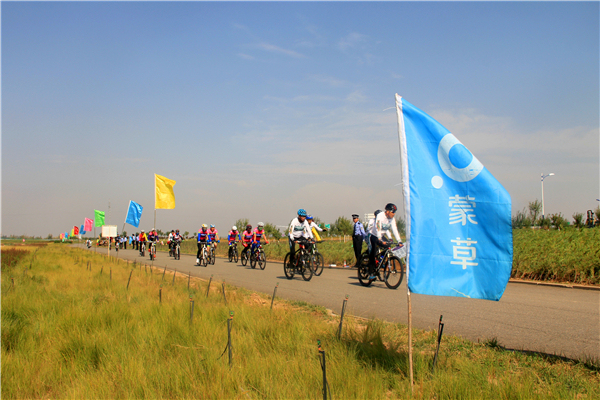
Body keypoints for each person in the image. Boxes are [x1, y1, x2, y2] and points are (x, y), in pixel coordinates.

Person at [368, 203, 402, 280]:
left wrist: (399, 241)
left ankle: (380, 260)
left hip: (382, 236)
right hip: (374, 235)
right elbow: (378, 228)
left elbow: (394, 229)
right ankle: (371, 272)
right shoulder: (380, 216)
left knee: (388, 246)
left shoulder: (392, 219)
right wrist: (379, 238)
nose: (394, 214)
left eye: (395, 212)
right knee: (373, 253)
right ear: (387, 211)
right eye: (393, 212)